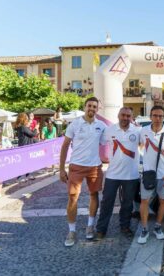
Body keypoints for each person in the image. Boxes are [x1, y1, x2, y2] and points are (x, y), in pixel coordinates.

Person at [59, 97, 107, 247]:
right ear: (85, 107)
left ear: (97, 109)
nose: (92, 108)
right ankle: (72, 231)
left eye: (94, 106)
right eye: (89, 106)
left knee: (94, 195)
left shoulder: (102, 126)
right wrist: (61, 168)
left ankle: (90, 225)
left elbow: (110, 140)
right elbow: (65, 146)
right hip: (76, 166)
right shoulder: (75, 123)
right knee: (73, 198)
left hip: (94, 167)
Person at [95, 107, 141, 240]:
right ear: (118, 115)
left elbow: (146, 144)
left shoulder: (137, 130)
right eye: (123, 115)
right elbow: (96, 143)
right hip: (112, 175)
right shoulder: (109, 130)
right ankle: (101, 229)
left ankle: (125, 227)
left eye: (128, 116)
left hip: (131, 175)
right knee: (106, 203)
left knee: (127, 203)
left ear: (132, 117)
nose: (125, 118)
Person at [138, 105, 164, 244]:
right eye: (155, 115)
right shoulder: (143, 131)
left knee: (163, 201)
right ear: (150, 116)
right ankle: (144, 229)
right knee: (144, 202)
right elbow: (139, 146)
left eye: (160, 116)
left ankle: (157, 226)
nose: (157, 118)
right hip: (148, 174)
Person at [15, 113, 39, 182]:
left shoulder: (22, 127)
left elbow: (29, 134)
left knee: (28, 161)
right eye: (26, 118)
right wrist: (36, 128)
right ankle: (19, 177)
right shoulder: (22, 127)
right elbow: (32, 134)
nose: (28, 119)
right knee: (23, 163)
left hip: (26, 146)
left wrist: (30, 127)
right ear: (24, 119)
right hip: (24, 147)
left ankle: (28, 175)